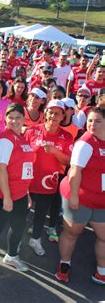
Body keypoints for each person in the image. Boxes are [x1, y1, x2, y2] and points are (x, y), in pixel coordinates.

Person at [0, 103, 35, 278]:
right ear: (5, 118)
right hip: (2, 194)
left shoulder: (21, 138)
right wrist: (7, 198)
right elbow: (0, 169)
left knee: (19, 225)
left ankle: (11, 256)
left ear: (24, 119)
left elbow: (24, 167)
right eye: (11, 117)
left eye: (18, 117)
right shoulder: (5, 139)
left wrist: (26, 192)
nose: (14, 121)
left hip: (19, 193)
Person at [57, 107, 105, 285]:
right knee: (72, 232)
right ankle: (64, 265)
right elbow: (75, 172)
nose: (92, 124)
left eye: (98, 121)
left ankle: (102, 271)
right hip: (79, 197)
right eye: (90, 120)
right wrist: (75, 198)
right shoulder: (85, 142)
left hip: (101, 200)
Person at [24, 100, 73, 257]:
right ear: (45, 113)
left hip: (49, 182)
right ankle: (15, 244)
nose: (53, 116)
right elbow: (21, 153)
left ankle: (35, 239)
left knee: (40, 214)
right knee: (21, 213)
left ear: (63, 116)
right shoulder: (33, 131)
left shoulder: (66, 136)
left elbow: (68, 161)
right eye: (50, 112)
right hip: (28, 181)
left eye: (57, 113)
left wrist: (54, 151)